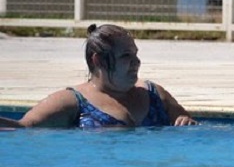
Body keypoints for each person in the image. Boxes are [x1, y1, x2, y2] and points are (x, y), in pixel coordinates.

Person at [0, 24, 198, 129]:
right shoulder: (72, 101)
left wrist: (184, 119)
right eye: (126, 56)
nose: (136, 62)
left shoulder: (154, 94)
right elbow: (22, 128)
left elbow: (186, 120)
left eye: (136, 54)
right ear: (99, 60)